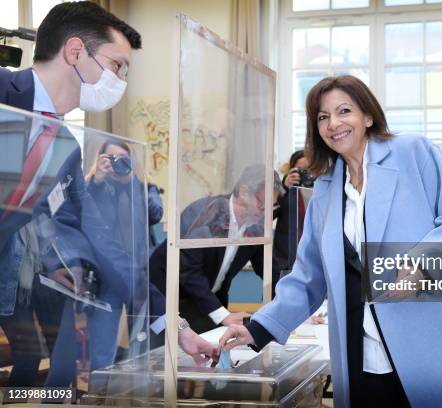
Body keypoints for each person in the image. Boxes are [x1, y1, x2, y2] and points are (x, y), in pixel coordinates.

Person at [220, 75, 442, 408]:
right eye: (323, 117)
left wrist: (422, 265)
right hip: (361, 359)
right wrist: (259, 327)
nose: (333, 124)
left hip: (429, 347)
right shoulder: (325, 191)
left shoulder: (413, 152)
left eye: (344, 111)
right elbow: (308, 276)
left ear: (367, 116)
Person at [0, 1, 216, 386]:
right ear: (76, 52)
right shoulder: (3, 90)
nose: (120, 80)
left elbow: (108, 245)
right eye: (117, 65)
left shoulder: (65, 148)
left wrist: (176, 326)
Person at [149, 165, 283, 334]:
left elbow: (269, 269)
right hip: (168, 297)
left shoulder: (256, 226)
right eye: (262, 205)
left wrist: (288, 307)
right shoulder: (205, 213)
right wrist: (223, 315)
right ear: (244, 192)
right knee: (169, 354)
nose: (266, 213)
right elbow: (188, 272)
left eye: (273, 207)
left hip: (207, 300)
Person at [272, 150, 310, 296]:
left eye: (309, 169)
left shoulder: (322, 189)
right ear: (291, 170)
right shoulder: (283, 191)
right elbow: (267, 217)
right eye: (301, 170)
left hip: (311, 262)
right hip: (285, 261)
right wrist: (284, 188)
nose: (305, 174)